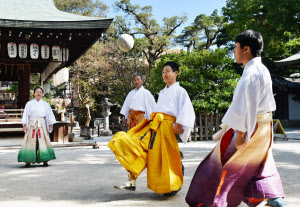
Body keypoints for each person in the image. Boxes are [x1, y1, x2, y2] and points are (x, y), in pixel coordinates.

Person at [185, 30, 286, 207]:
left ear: (246, 49)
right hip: (263, 128)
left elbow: (244, 107)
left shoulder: (251, 73)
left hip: (251, 128)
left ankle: (217, 202)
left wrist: (240, 135)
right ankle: (273, 199)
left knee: (227, 166)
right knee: (259, 166)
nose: (233, 51)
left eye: (236, 47)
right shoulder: (262, 69)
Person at [109, 61, 195, 195]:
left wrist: (179, 122)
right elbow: (156, 110)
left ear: (175, 73)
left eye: (167, 71)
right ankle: (131, 182)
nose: (164, 74)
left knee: (166, 156)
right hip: (155, 124)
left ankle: (171, 184)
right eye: (163, 72)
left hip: (166, 126)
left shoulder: (180, 91)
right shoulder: (162, 91)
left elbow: (187, 109)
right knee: (137, 147)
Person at [18, 86, 56, 167]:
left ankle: (45, 160)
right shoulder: (29, 103)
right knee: (30, 142)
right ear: (34, 93)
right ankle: (28, 160)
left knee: (43, 142)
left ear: (42, 94)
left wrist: (50, 125)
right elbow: (25, 115)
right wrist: (24, 125)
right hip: (31, 124)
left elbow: (49, 115)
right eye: (37, 92)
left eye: (40, 92)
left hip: (42, 124)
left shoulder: (46, 104)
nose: (39, 93)